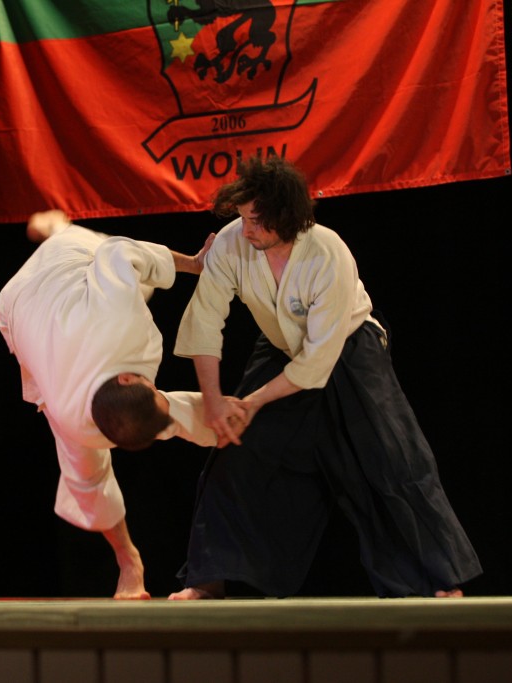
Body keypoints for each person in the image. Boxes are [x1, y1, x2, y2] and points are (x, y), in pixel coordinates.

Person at [169, 156, 483, 600]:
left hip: (349, 346)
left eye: (256, 221)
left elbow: (317, 361)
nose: (246, 230)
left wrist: (253, 401)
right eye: (242, 218)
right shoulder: (230, 244)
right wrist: (216, 399)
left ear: (287, 217)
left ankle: (434, 582)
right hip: (280, 346)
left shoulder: (327, 252)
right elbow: (204, 321)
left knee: (388, 459)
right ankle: (208, 580)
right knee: (235, 453)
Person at [0, 210, 224, 600]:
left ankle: (56, 226)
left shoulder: (115, 316)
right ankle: (129, 563)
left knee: (117, 262)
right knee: (89, 475)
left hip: (67, 268)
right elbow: (91, 488)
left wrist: (195, 263)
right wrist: (127, 558)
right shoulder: (72, 418)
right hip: (20, 310)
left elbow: (119, 251)